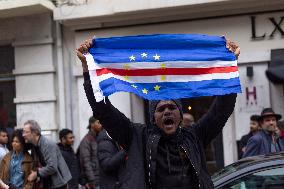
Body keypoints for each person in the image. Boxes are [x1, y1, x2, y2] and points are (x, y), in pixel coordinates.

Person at [77, 39, 239, 189]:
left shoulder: (195, 136)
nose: (167, 111)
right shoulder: (137, 137)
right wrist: (87, 68)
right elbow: (103, 110)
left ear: (180, 115)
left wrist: (230, 65)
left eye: (171, 107)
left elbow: (221, 110)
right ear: (153, 118)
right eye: (160, 109)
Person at [22, 120, 72, 189]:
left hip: (58, 184)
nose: (23, 135)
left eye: (26, 132)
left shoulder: (47, 144)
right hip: (48, 183)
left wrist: (36, 174)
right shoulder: (34, 145)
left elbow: (52, 167)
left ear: (35, 133)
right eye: (23, 132)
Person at [78, 117, 102, 189]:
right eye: (98, 123)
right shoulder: (86, 141)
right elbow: (86, 162)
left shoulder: (100, 138)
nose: (101, 125)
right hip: (95, 181)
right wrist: (92, 180)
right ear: (92, 124)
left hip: (103, 178)